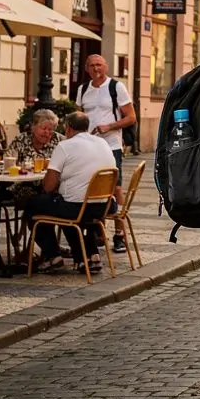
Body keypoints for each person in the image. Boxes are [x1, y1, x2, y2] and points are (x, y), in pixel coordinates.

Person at [24, 112, 116, 272]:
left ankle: (53, 255)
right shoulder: (103, 143)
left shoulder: (65, 146)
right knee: (64, 205)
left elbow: (48, 187)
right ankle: (86, 258)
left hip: (78, 207)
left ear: (68, 128)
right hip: (105, 205)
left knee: (33, 206)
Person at [77, 54, 137, 252]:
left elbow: (131, 117)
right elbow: (79, 116)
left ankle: (119, 234)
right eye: (92, 65)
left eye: (99, 65)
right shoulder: (83, 89)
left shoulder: (116, 87)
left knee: (115, 188)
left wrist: (109, 126)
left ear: (106, 67)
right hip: (88, 146)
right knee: (89, 187)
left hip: (111, 145)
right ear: (87, 68)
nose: (96, 69)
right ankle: (96, 230)